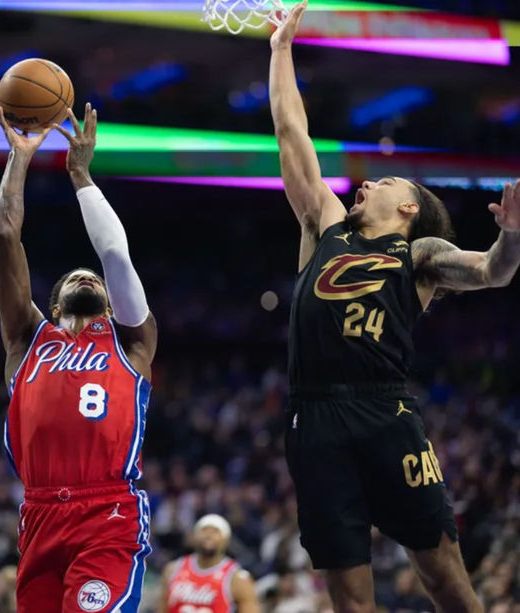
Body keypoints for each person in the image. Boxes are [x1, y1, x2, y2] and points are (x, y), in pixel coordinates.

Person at [269, 3, 520, 612]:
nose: (364, 185)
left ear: (409, 207)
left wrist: (512, 236)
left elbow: (492, 272)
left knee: (445, 581)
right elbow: (292, 133)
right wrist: (280, 51)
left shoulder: (421, 254)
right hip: (314, 418)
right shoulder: (322, 226)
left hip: (386, 410)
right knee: (351, 600)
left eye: (382, 184)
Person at [0, 103, 158, 612]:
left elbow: (115, 256)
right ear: (55, 304)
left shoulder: (131, 342)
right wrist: (19, 158)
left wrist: (80, 175)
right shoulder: (27, 342)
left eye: (97, 284)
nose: (88, 276)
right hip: (39, 515)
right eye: (72, 278)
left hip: (107, 512)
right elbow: (1, 236)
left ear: (111, 305)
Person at [158, 514, 260, 613]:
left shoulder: (237, 578)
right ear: (194, 536)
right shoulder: (173, 569)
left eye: (216, 531)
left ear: (226, 540)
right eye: (204, 530)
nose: (209, 535)